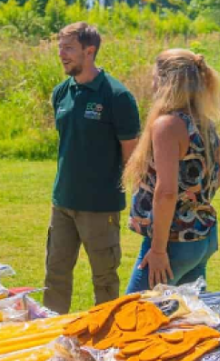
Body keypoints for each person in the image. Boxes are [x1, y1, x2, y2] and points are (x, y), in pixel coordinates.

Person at [44, 22, 141, 314]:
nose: (62, 54)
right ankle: (50, 332)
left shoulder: (117, 96)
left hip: (100, 207)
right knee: (55, 274)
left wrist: (138, 202)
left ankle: (106, 338)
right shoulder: (61, 92)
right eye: (60, 47)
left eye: (69, 48)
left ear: (90, 51)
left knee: (104, 279)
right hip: (63, 203)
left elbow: (132, 158)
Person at [123, 49, 220, 293]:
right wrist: (196, 198)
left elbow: (166, 193)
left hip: (174, 243)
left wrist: (158, 250)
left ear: (166, 81)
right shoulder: (201, 123)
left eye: (154, 77)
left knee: (132, 317)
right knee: (186, 321)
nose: (151, 83)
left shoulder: (168, 125)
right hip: (200, 240)